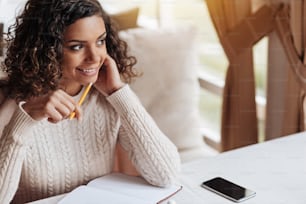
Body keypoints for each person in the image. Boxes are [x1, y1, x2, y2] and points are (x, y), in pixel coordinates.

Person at [0, 0, 181, 203]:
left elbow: (166, 175)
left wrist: (119, 93)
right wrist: (25, 120)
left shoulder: (107, 97)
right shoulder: (8, 101)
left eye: (100, 41)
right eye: (77, 47)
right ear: (44, 49)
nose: (95, 57)